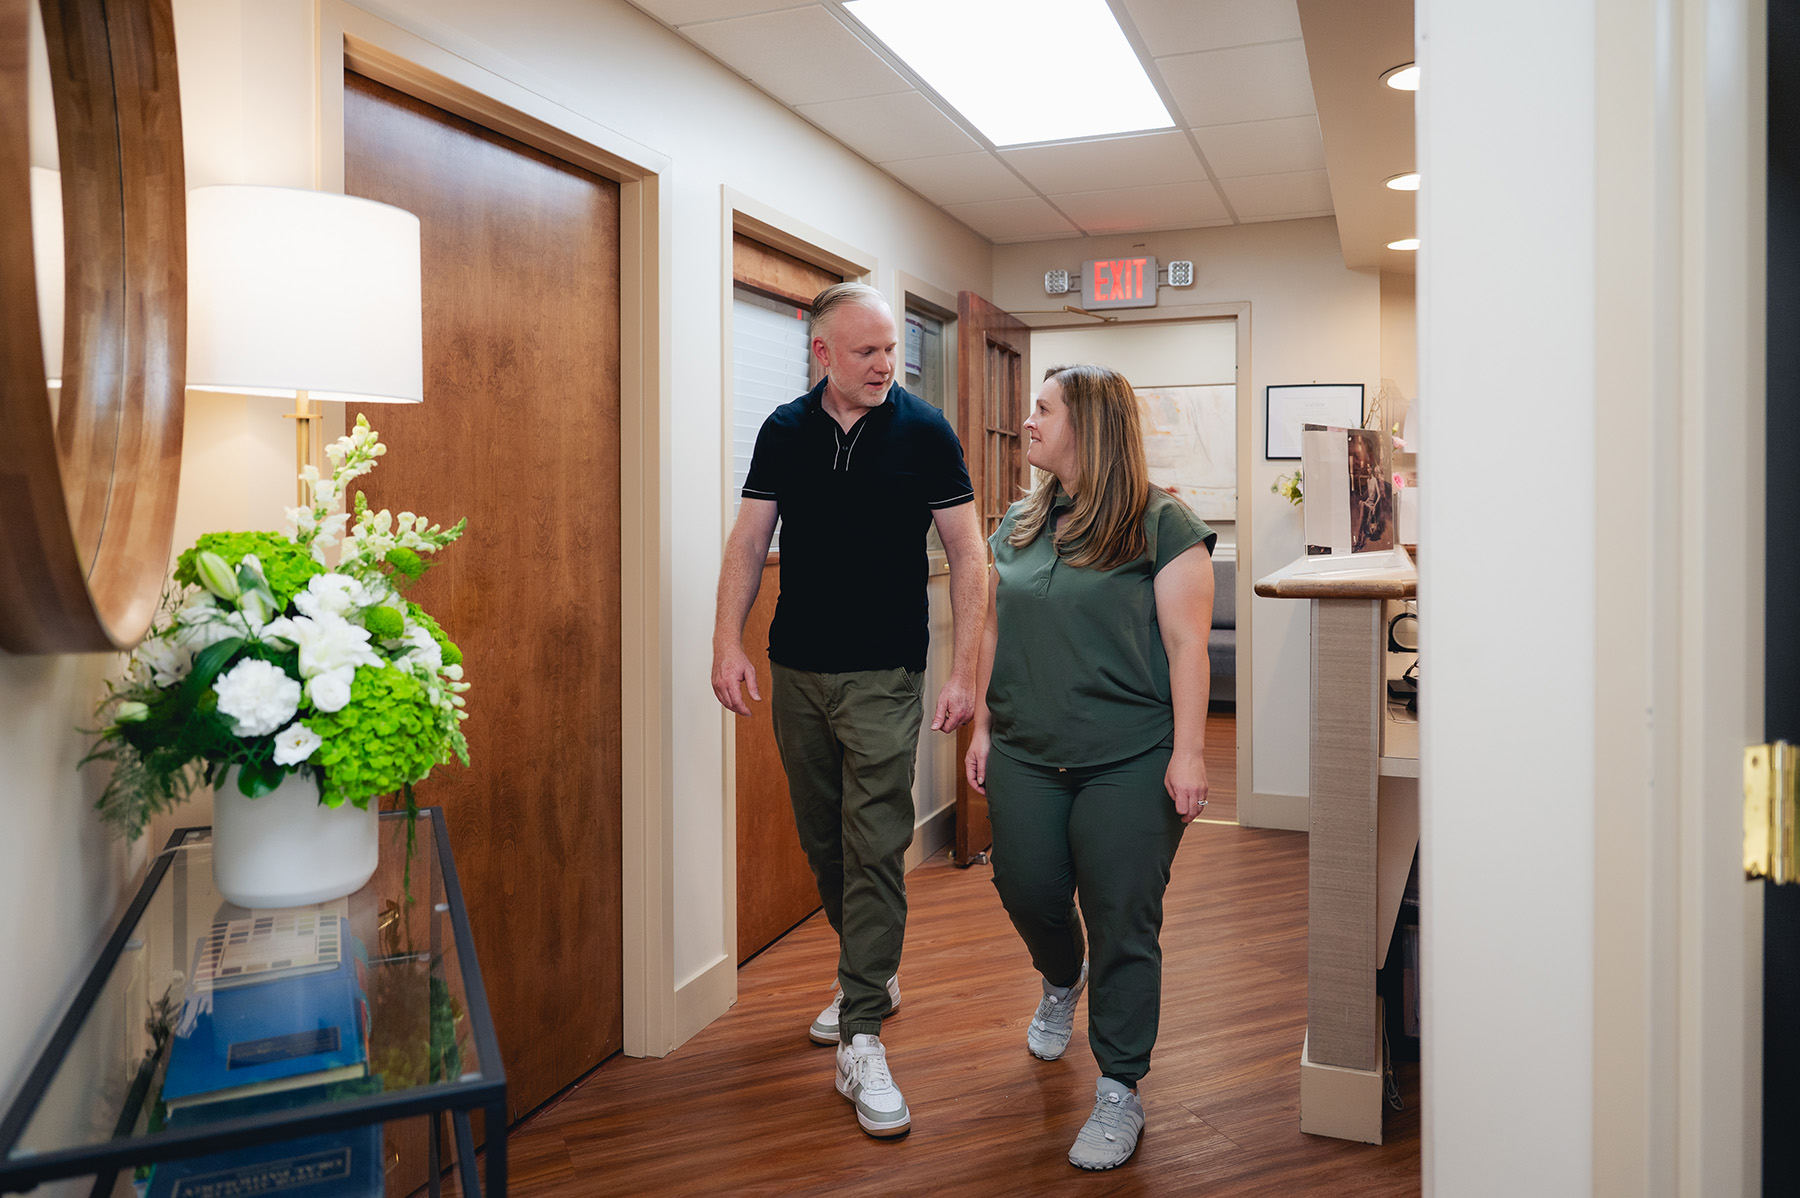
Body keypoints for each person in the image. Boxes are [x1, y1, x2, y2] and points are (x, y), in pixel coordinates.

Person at [711, 282, 986, 1139]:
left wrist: (965, 672)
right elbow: (750, 541)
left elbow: (972, 557)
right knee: (824, 837)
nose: (883, 364)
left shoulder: (925, 431)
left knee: (876, 838)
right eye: (864, 350)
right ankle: (874, 970)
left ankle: (862, 1028)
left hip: (884, 672)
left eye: (889, 350)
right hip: (796, 666)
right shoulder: (784, 431)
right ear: (822, 351)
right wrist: (726, 643)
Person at [964, 363, 1215, 1171]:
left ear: (1089, 427)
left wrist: (1189, 752)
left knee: (1122, 918)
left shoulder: (1162, 523)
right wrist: (980, 730)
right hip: (1026, 753)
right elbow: (996, 629)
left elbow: (1186, 646)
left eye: (1042, 410)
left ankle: (1120, 1087)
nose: (1028, 421)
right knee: (1027, 888)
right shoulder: (1023, 522)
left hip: (1129, 761)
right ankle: (1059, 978)